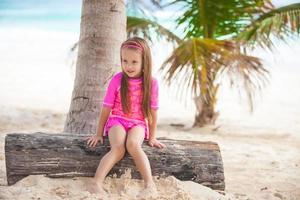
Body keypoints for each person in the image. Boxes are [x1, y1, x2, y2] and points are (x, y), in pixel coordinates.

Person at [85, 37, 165, 197]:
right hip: (117, 121)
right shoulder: (117, 79)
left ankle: (149, 184)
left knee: (134, 144)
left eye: (134, 62)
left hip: (138, 123)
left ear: (145, 61)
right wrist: (98, 133)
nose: (128, 66)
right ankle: (96, 182)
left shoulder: (151, 83)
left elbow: (153, 113)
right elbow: (106, 108)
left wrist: (153, 137)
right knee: (119, 148)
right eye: (124, 61)